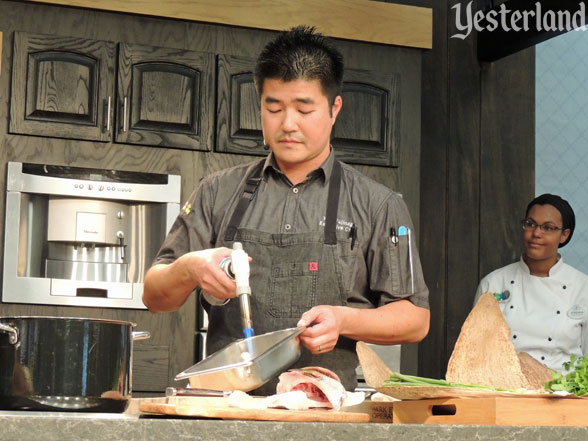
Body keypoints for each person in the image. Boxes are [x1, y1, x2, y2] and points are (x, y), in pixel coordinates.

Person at [143, 25, 430, 394]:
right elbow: (154, 297)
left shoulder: (378, 204)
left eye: (304, 108)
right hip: (226, 411)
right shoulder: (216, 191)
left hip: (325, 417)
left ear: (334, 108)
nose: (287, 124)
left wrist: (343, 320)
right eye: (273, 108)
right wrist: (189, 268)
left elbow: (415, 320)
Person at [474, 193, 588, 373]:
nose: (536, 233)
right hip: (507, 391)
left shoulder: (583, 288)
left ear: (564, 235)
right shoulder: (494, 283)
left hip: (565, 394)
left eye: (548, 228)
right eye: (530, 224)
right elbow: (476, 353)